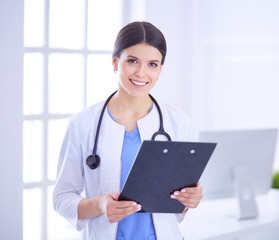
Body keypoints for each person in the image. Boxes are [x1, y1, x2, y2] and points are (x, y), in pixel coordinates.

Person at [53, 21, 203, 240]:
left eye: (152, 64)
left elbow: (178, 207)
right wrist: (100, 205)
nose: (141, 73)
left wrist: (190, 199)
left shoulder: (179, 123)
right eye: (132, 61)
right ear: (115, 63)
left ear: (161, 69)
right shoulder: (82, 124)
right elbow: (62, 198)